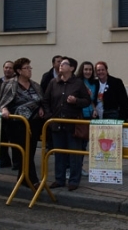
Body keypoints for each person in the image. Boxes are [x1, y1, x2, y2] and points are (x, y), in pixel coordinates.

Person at [42, 57, 91, 191]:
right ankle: (59, 179)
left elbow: (87, 101)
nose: (60, 66)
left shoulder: (78, 83)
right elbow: (46, 101)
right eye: (60, 64)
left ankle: (74, 180)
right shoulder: (53, 82)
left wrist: (76, 101)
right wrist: (49, 115)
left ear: (71, 68)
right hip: (57, 123)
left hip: (72, 123)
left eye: (64, 64)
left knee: (74, 154)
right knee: (59, 153)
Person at [0, 58, 44, 189]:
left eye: (30, 68)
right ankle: (33, 180)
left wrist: (40, 108)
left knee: (31, 151)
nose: (29, 70)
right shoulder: (10, 84)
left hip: (34, 124)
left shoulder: (35, 85)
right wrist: (4, 109)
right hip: (17, 124)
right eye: (26, 68)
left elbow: (41, 101)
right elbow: (2, 103)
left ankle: (22, 178)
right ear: (19, 71)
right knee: (24, 152)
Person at [76, 61, 98, 177]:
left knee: (84, 143)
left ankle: (80, 167)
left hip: (89, 114)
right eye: (86, 69)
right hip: (80, 115)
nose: (88, 72)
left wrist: (94, 109)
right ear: (81, 70)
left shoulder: (94, 83)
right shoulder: (78, 82)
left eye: (90, 69)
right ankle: (73, 168)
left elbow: (92, 100)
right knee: (77, 143)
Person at [0, 61, 16, 169]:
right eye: (6, 67)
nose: (8, 70)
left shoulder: (16, 82)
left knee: (13, 140)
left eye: (10, 68)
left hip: (11, 116)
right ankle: (4, 160)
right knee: (1, 139)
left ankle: (17, 163)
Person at [40, 55, 62, 151]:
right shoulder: (47, 76)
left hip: (60, 106)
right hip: (49, 106)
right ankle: (49, 147)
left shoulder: (65, 76)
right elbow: (42, 91)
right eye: (58, 61)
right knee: (49, 127)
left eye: (61, 61)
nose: (60, 63)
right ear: (53, 64)